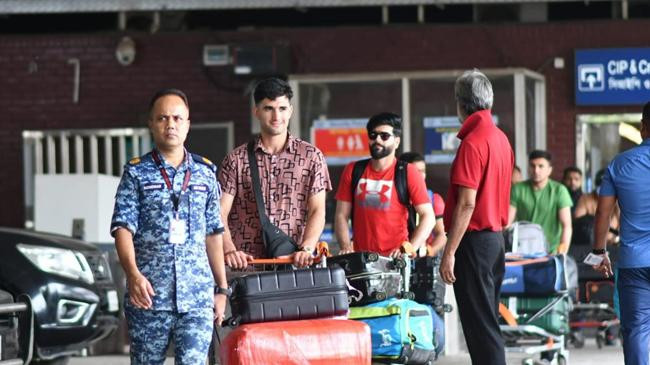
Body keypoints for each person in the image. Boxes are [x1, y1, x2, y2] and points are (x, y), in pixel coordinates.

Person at [110, 89, 228, 364]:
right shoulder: (136, 172)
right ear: (151, 124)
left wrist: (221, 289)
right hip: (149, 295)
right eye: (162, 118)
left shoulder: (205, 173)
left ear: (188, 123)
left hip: (197, 297)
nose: (170, 124)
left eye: (177, 118)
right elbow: (122, 229)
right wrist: (133, 275)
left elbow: (214, 234)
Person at [439, 69, 513, 365]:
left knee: (481, 329)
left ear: (461, 103)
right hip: (495, 242)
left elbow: (467, 205)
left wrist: (449, 252)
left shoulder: (472, 143)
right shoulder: (500, 138)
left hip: (474, 244)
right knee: (487, 323)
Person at [218, 77, 331, 269]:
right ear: (257, 112)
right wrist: (229, 250)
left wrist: (307, 247)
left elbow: (317, 209)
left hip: (293, 262)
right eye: (268, 108)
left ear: (291, 111)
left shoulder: (311, 156)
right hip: (246, 266)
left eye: (282, 108)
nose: (276, 116)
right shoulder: (236, 159)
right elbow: (219, 212)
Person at [593, 101, 650, 365]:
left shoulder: (620, 164)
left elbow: (603, 213)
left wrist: (598, 252)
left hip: (634, 263)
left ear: (643, 128)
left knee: (637, 331)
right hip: (634, 262)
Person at [334, 113, 434, 258]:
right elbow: (341, 215)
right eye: (373, 135)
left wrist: (409, 248)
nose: (377, 140)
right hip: (361, 260)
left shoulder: (408, 172)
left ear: (397, 142)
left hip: (395, 260)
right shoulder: (353, 170)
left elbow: (428, 216)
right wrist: (346, 247)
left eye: (384, 136)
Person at [509, 150, 573, 254]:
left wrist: (561, 254)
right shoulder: (518, 189)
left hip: (551, 251)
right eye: (532, 166)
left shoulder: (559, 191)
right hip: (522, 252)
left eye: (541, 166)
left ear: (549, 170)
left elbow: (567, 226)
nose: (536, 170)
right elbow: (508, 222)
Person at [398, 151, 447, 256]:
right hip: (393, 254)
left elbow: (442, 234)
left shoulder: (434, 200)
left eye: (423, 171)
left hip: (420, 259)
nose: (421, 175)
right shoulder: (392, 198)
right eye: (416, 171)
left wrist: (429, 251)